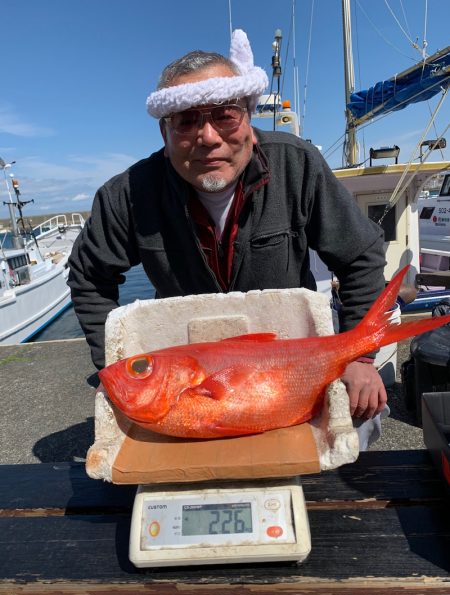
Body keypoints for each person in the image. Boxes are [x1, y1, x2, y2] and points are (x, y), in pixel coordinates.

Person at [68, 30, 387, 449]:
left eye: (224, 115)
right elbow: (89, 276)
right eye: (186, 119)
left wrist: (359, 358)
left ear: (249, 120)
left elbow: (360, 255)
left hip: (292, 364)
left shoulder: (298, 165)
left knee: (353, 434)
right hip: (194, 380)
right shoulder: (127, 195)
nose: (208, 136)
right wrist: (113, 364)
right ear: (164, 134)